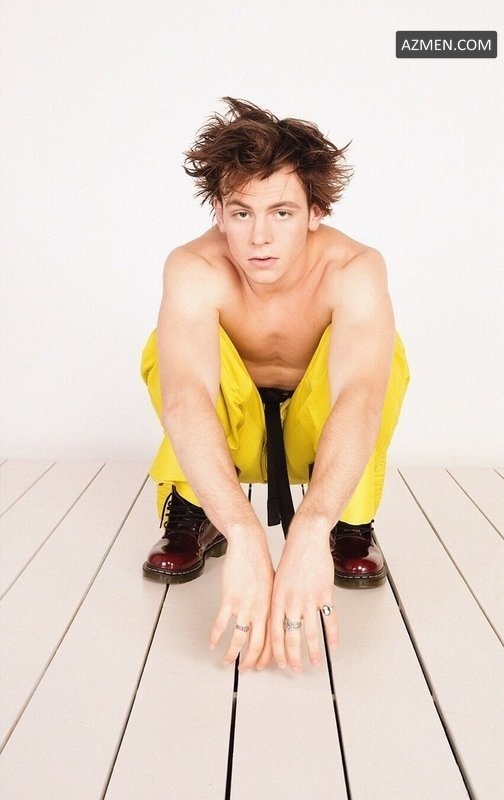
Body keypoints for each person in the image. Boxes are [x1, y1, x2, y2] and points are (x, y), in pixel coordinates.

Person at [140, 98, 410, 674]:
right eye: (242, 213)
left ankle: (348, 519)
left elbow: (360, 397)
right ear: (218, 212)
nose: (259, 237)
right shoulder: (194, 268)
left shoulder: (354, 269)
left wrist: (309, 528)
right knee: (169, 348)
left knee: (380, 357)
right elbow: (186, 397)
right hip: (233, 420)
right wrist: (243, 532)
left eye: (282, 212)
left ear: (316, 211)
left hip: (315, 419)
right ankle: (197, 508)